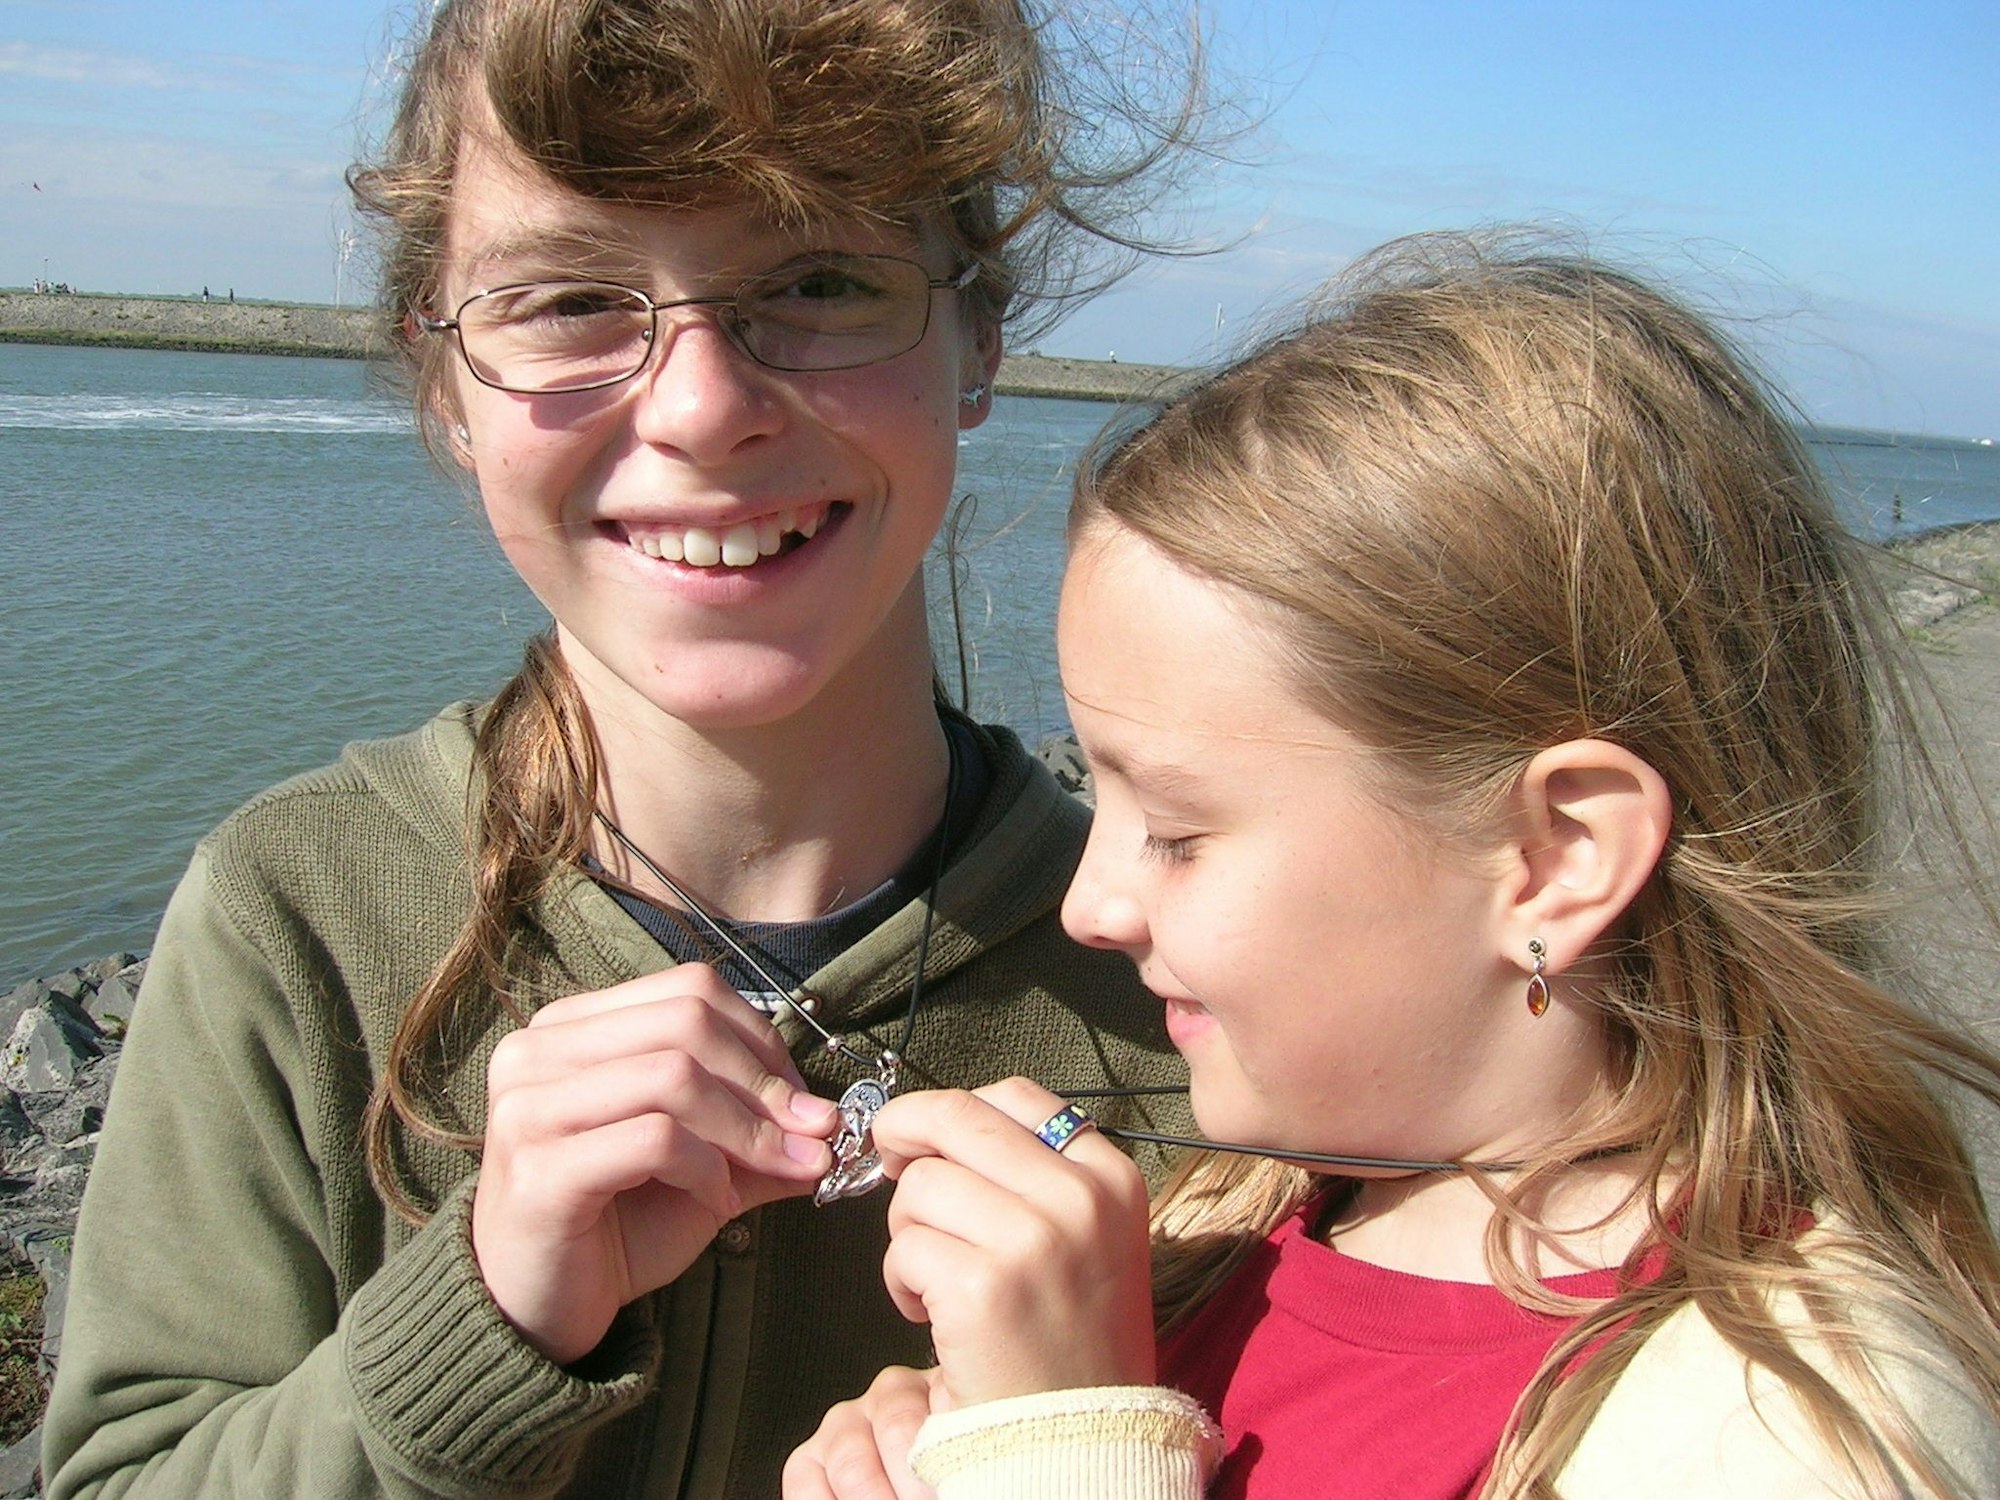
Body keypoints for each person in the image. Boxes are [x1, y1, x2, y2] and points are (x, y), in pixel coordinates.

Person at [40, 1, 1204, 1495]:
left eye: (820, 282)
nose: (703, 408)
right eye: (571, 301)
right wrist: (477, 1325)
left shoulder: (1185, 986)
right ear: (445, 382)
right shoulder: (296, 914)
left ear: (976, 336)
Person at [785, 236, 2000, 1499]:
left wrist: (1063, 1450)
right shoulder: (1255, 1205)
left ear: (1556, 856)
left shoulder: (1787, 1435)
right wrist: (988, 1430)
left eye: (1180, 833)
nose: (1088, 906)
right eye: (1099, 796)